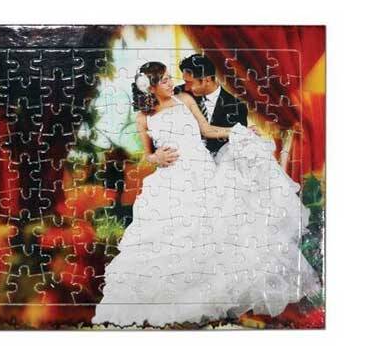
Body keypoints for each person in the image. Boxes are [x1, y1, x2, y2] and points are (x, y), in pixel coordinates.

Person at [91, 61, 321, 327]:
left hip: (203, 174)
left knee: (213, 236)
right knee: (169, 242)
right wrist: (157, 157)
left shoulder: (185, 100)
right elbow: (147, 155)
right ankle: (167, 306)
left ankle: (210, 306)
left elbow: (207, 130)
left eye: (169, 78)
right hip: (170, 182)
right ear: (150, 87)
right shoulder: (143, 117)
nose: (171, 82)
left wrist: (239, 132)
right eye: (164, 80)